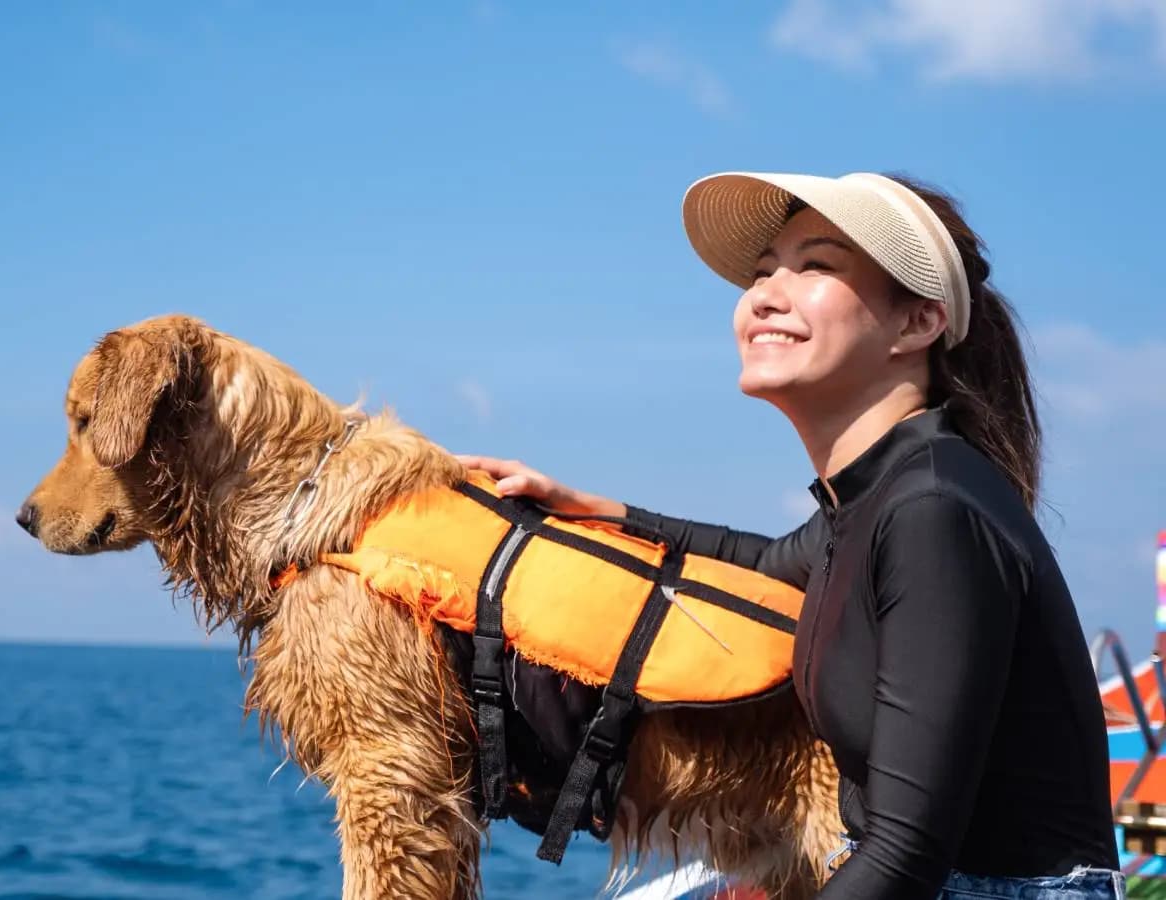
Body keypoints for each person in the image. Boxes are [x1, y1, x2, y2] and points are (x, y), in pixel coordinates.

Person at [458, 171, 1124, 899]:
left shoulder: (932, 510)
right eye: (763, 270)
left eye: (817, 265)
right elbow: (762, 561)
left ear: (917, 324)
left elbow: (907, 856)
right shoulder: (872, 501)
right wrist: (599, 509)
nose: (765, 294)